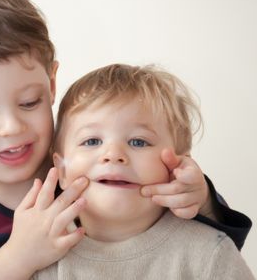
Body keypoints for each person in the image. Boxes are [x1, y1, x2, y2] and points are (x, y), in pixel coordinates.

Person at [0, 0, 252, 280]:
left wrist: (200, 198)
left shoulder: (83, 157)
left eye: (30, 102)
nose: (12, 127)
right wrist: (16, 260)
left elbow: (204, 247)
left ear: (51, 82)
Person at [33, 63, 254, 279]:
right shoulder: (44, 259)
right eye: (91, 141)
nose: (113, 154)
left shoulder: (209, 255)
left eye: (138, 142)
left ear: (179, 167)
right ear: (60, 170)